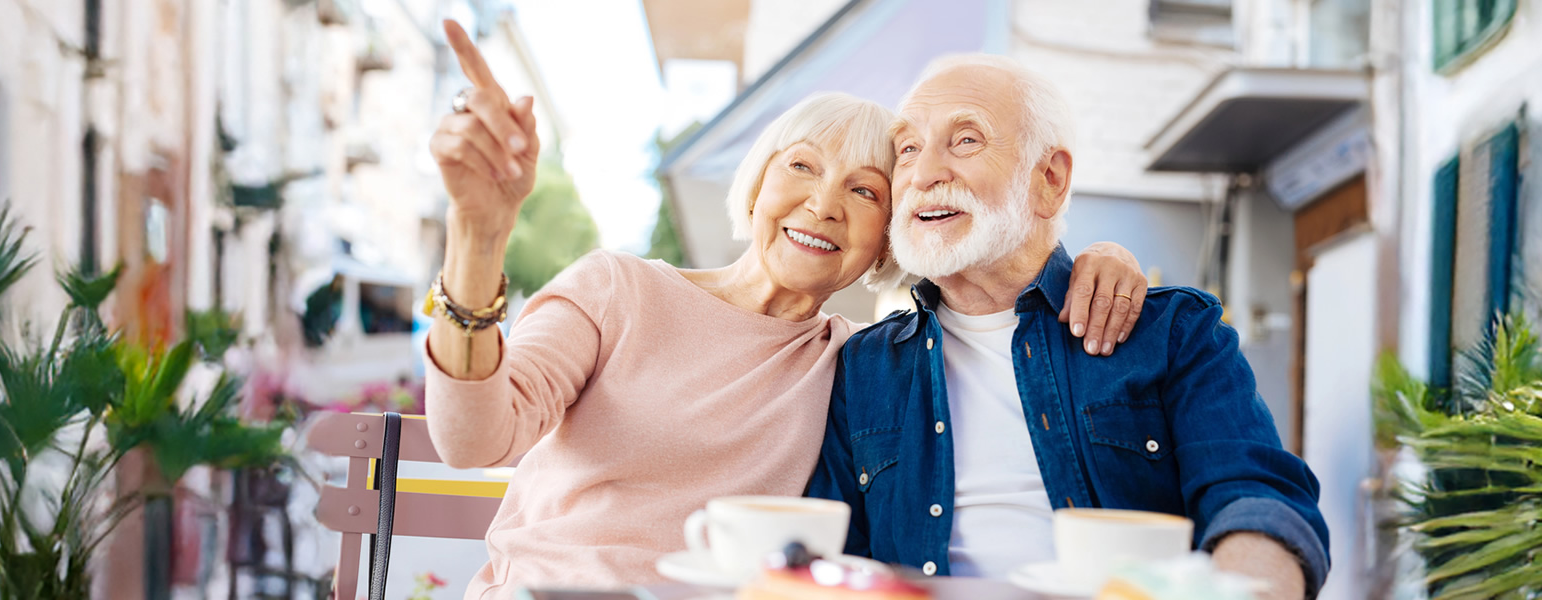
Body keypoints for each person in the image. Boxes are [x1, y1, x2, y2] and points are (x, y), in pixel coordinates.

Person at [421, 23, 1152, 598]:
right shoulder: (618, 290)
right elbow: (474, 437)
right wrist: (479, 236)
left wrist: (1098, 258)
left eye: (865, 191)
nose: (822, 204)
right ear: (756, 183)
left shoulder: (859, 363)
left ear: (891, 240)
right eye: (800, 165)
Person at [807, 55, 1329, 600]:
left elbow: (1255, 497)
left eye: (965, 140)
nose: (924, 172)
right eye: (908, 148)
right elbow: (833, 553)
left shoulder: (1172, 333)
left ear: (1049, 180)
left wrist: (1253, 589)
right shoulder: (863, 365)